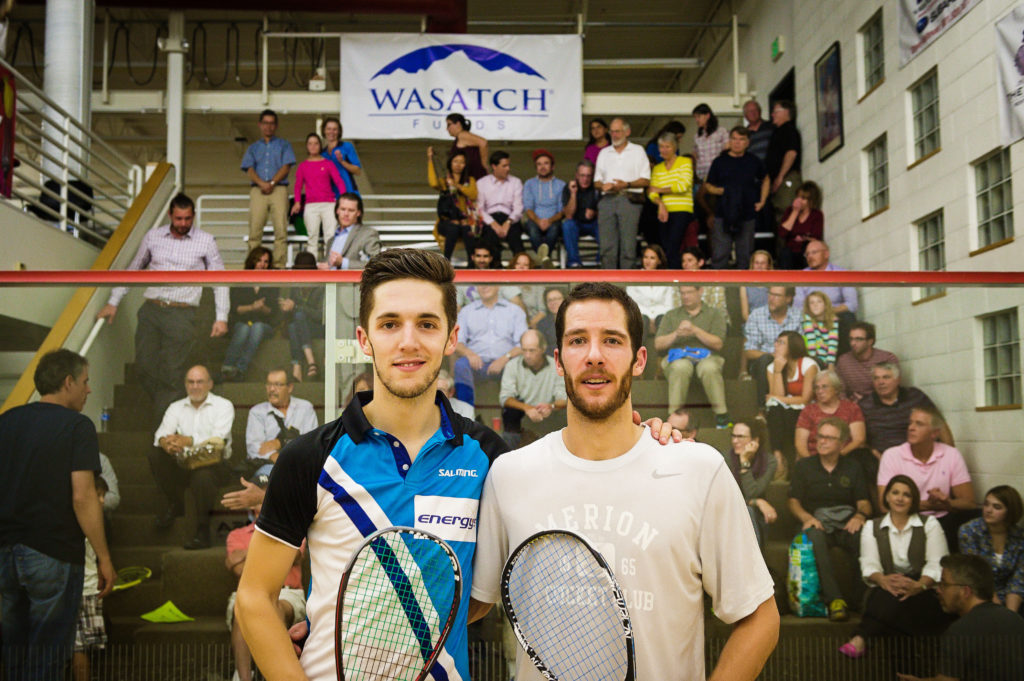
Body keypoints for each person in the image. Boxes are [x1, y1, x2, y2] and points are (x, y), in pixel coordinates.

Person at [234, 251, 682, 681]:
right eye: (390, 324)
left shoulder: (492, 460)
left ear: (451, 337)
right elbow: (255, 596)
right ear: (364, 339)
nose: (409, 341)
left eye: (427, 324)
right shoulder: (310, 457)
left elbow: (479, 595)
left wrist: (644, 435)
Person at [471, 282, 780, 681]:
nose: (594, 356)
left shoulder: (699, 468)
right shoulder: (510, 475)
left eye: (612, 341)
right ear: (559, 361)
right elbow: (472, 606)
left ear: (639, 360)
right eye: (578, 340)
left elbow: (759, 617)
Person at [0, 349, 114, 681]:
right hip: (53, 553)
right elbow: (83, 496)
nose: (88, 390)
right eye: (85, 381)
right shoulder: (77, 426)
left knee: (14, 655)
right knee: (47, 658)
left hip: (4, 553)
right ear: (68, 382)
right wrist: (104, 557)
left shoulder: (5, 422)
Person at [96, 193, 229, 419]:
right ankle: (170, 411)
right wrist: (113, 301)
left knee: (172, 373)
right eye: (179, 219)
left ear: (193, 216)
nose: (183, 224)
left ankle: (164, 430)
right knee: (144, 367)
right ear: (170, 215)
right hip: (152, 310)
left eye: (188, 219)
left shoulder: (206, 241)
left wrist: (221, 317)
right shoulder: (153, 237)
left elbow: (220, 281)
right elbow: (132, 269)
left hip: (182, 314)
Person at [841, 475, 951, 658]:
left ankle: (861, 637)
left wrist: (919, 585)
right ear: (887, 497)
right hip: (885, 587)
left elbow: (937, 563)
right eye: (895, 493)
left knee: (897, 606)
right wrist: (882, 579)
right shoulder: (871, 526)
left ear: (914, 499)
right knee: (889, 596)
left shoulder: (929, 524)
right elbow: (869, 563)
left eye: (906, 495)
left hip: (923, 589)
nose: (900, 498)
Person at [788, 417, 873, 621]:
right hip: (816, 522)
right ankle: (835, 600)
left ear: (842, 443)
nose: (822, 441)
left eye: (829, 438)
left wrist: (860, 516)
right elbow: (792, 501)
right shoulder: (804, 466)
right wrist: (807, 518)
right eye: (820, 437)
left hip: (846, 522)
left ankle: (860, 599)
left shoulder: (853, 467)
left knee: (864, 535)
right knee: (814, 536)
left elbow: (864, 502)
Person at [896, 554, 1024, 681]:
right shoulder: (1016, 620)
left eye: (944, 584)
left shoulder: (959, 631)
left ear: (966, 591)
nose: (938, 590)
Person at [226, 478, 306, 681]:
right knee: (243, 605)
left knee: (271, 607)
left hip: (289, 593)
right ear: (252, 506)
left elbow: (292, 557)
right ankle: (245, 678)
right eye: (259, 499)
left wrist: (245, 553)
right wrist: (269, 551)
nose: (264, 504)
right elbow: (240, 571)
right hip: (248, 591)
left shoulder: (295, 529)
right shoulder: (236, 534)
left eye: (266, 496)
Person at [150, 364, 234, 550]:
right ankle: (176, 503)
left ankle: (202, 531)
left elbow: (217, 441)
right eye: (191, 382)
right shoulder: (175, 407)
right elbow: (160, 436)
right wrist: (167, 443)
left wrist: (188, 440)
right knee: (156, 454)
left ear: (210, 384)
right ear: (185, 384)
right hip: (184, 463)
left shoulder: (223, 405)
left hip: (214, 464)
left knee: (202, 476)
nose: (195, 386)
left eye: (200, 382)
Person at [877, 405, 977, 549]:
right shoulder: (892, 455)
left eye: (919, 424)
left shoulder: (951, 454)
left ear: (934, 433)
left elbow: (969, 503)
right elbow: (884, 505)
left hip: (943, 519)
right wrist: (930, 504)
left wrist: (946, 502)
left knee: (976, 517)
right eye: (910, 422)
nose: (911, 428)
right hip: (907, 518)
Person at [655, 285, 731, 428]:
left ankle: (721, 415)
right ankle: (674, 417)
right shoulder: (672, 315)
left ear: (700, 291)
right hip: (678, 357)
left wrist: (695, 331)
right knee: (680, 367)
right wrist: (676, 333)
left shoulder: (714, 314)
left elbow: (718, 344)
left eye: (689, 292)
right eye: (682, 293)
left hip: (708, 357)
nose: (685, 296)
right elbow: (658, 344)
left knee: (709, 367)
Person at [702, 126, 769, 270]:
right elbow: (708, 185)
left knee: (745, 255)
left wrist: (762, 201)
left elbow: (766, 179)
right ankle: (718, 290)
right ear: (729, 141)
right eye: (734, 139)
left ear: (747, 142)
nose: (737, 142)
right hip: (723, 213)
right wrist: (722, 191)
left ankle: (744, 290)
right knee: (720, 253)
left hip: (747, 213)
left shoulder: (754, 161)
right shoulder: (719, 161)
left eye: (741, 139)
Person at [453, 283, 528, 405]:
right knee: (461, 365)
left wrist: (505, 358)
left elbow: (523, 344)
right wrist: (470, 354)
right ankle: (465, 414)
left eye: (489, 283)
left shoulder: (515, 311)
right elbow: (456, 342)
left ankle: (514, 417)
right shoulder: (467, 312)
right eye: (481, 284)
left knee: (518, 366)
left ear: (499, 286)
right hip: (477, 364)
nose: (484, 287)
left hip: (507, 363)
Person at [859, 363, 954, 456]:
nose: (881, 382)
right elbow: (860, 439)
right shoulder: (865, 404)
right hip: (881, 458)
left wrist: (950, 454)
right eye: (876, 378)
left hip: (919, 455)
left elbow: (939, 424)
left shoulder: (915, 396)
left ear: (898, 380)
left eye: (886, 377)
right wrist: (875, 455)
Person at [594, 117, 651, 269]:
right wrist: (603, 186)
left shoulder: (638, 151)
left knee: (628, 245)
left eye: (618, 131)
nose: (614, 135)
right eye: (612, 131)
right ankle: (608, 285)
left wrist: (626, 184)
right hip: (607, 200)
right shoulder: (604, 153)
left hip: (629, 199)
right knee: (607, 246)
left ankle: (626, 285)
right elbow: (596, 181)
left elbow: (646, 180)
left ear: (627, 132)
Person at [241, 109, 296, 267]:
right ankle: (253, 265)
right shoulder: (253, 148)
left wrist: (271, 183)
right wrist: (261, 183)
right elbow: (249, 168)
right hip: (258, 190)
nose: (268, 126)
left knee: (281, 230)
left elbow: (286, 167)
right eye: (265, 123)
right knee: (255, 231)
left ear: (276, 125)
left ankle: (278, 266)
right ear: (260, 125)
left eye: (272, 123)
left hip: (278, 189)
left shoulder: (284, 145)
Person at [958, 485, 1024, 613]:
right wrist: (998, 612)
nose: (988, 510)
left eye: (996, 507)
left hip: (1012, 597)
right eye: (986, 504)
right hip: (978, 593)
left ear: (1010, 512)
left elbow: (1018, 580)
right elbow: (977, 575)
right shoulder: (969, 531)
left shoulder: (1020, 537)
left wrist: (1010, 615)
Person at [498, 329, 567, 447]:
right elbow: (505, 398)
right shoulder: (512, 366)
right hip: (521, 416)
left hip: (550, 416)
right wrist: (528, 409)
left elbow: (564, 399)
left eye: (532, 350)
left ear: (543, 348)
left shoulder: (557, 367)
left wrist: (551, 407)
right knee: (510, 413)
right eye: (524, 350)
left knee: (564, 413)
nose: (527, 355)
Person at [246, 369, 318, 479]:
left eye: (277, 385)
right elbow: (254, 448)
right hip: (269, 466)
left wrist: (280, 442)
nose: (271, 389)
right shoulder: (257, 412)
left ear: (290, 387)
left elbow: (311, 443)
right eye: (269, 384)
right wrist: (275, 456)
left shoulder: (305, 408)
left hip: (301, 466)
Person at [765, 330, 819, 478]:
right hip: (785, 411)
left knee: (781, 410)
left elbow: (805, 399)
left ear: (793, 346)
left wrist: (776, 397)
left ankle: (797, 456)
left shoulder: (808, 364)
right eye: (776, 342)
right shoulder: (772, 367)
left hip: (807, 410)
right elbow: (776, 398)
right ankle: (778, 457)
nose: (776, 345)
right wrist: (777, 371)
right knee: (774, 409)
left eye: (781, 342)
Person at [71, 477, 109, 681]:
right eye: (98, 495)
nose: (102, 501)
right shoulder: (89, 525)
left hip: (85, 585)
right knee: (81, 646)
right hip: (86, 589)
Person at [221, 246, 277, 382]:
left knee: (256, 327)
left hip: (265, 326)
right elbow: (235, 309)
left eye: (266, 261)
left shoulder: (273, 282)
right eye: (259, 261)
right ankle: (228, 367)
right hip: (242, 322)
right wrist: (252, 307)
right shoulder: (241, 280)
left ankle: (240, 369)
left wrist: (262, 308)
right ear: (252, 261)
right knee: (245, 329)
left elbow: (273, 312)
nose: (262, 265)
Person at [793, 240, 859, 353]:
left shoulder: (841, 273)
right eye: (807, 254)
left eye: (814, 252)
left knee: (848, 318)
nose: (810, 256)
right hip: (812, 317)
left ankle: (844, 361)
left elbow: (852, 304)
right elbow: (798, 307)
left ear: (826, 254)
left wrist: (829, 312)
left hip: (836, 315)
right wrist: (817, 315)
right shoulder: (802, 276)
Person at [744, 285, 802, 408]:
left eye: (777, 295)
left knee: (812, 361)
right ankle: (763, 409)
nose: (771, 298)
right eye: (770, 294)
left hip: (791, 362)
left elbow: (801, 348)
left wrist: (785, 358)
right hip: (763, 363)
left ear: (788, 298)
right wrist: (774, 356)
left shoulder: (798, 316)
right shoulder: (756, 315)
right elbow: (749, 351)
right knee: (767, 360)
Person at [724, 419, 777, 551]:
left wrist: (744, 462)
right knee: (748, 511)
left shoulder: (769, 461)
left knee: (749, 512)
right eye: (733, 436)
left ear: (755, 440)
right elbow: (726, 496)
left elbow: (753, 492)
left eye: (740, 437)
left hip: (756, 515)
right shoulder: (725, 458)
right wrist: (757, 501)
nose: (735, 441)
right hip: (727, 510)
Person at [291, 133, 345, 258]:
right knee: (312, 237)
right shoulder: (303, 166)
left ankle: (330, 266)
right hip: (311, 206)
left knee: (330, 236)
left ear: (320, 145)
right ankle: (312, 268)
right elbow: (298, 185)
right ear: (306, 146)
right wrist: (297, 202)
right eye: (310, 143)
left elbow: (339, 181)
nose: (313, 146)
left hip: (329, 204)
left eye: (316, 143)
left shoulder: (328, 164)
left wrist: (342, 199)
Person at [647, 131, 694, 269]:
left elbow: (682, 186)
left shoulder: (685, 162)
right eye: (661, 147)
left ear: (675, 147)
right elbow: (651, 192)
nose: (664, 150)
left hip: (682, 211)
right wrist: (660, 203)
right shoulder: (658, 168)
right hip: (663, 211)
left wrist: (659, 190)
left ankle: (675, 279)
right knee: (665, 247)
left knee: (673, 247)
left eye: (667, 146)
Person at [278, 251, 324, 382]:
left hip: (319, 328)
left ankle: (303, 364)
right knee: (293, 325)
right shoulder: (295, 288)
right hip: (300, 328)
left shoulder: (321, 288)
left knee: (298, 317)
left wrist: (296, 307)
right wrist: (285, 308)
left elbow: (321, 316)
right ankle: (305, 365)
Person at [428, 146, 479, 263]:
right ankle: (446, 261)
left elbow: (473, 194)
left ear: (466, 165)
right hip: (446, 222)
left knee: (468, 229)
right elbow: (432, 182)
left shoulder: (469, 180)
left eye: (462, 162)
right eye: (455, 161)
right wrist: (430, 159)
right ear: (450, 163)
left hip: (466, 221)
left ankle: (471, 264)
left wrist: (457, 185)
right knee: (453, 228)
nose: (458, 165)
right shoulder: (444, 181)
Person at [475, 150, 526, 262]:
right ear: (494, 166)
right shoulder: (482, 183)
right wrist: (493, 224)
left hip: (510, 219)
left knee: (516, 240)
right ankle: (495, 270)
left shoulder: (516, 182)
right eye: (504, 166)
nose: (508, 168)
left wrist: (508, 223)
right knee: (489, 240)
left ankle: (522, 271)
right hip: (489, 219)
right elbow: (479, 208)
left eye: (508, 165)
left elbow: (518, 207)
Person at [836, 322, 900, 401]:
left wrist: (869, 401)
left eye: (858, 339)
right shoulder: (843, 361)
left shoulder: (887, 358)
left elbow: (893, 388)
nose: (853, 343)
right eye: (851, 339)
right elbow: (840, 391)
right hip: (855, 407)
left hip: (881, 404)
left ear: (870, 341)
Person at [626, 245, 678, 340]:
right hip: (641, 316)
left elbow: (668, 305)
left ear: (659, 261)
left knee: (662, 319)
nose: (648, 261)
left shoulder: (666, 278)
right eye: (646, 257)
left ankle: (663, 354)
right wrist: (649, 319)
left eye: (652, 258)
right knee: (642, 320)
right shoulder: (634, 277)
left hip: (660, 316)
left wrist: (654, 319)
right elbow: (632, 305)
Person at [522, 149, 566, 260]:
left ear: (553, 166)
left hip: (554, 221)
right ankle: (545, 260)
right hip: (534, 220)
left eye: (546, 163)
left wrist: (549, 221)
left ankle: (542, 259)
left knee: (555, 229)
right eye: (539, 164)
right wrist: (539, 221)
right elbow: (528, 208)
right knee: (533, 229)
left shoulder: (561, 185)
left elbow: (562, 211)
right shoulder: (529, 183)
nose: (542, 167)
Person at [765, 100, 802, 227]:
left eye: (775, 112)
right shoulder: (777, 132)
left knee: (786, 211)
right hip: (778, 180)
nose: (772, 115)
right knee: (779, 214)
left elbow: (791, 153)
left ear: (786, 112)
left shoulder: (789, 130)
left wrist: (780, 176)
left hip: (787, 179)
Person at [561, 159, 601, 268]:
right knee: (567, 225)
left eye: (588, 176)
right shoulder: (569, 187)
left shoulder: (597, 188)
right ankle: (574, 262)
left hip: (594, 223)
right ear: (576, 175)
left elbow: (605, 212)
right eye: (582, 175)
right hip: (576, 223)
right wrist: (573, 194)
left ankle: (601, 261)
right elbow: (568, 215)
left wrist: (595, 213)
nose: (585, 179)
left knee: (605, 224)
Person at [327, 193, 381, 270]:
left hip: (352, 281)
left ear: (358, 213)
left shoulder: (368, 234)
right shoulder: (331, 240)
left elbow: (376, 264)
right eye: (343, 209)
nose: (346, 214)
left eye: (351, 210)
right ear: (337, 210)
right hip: (329, 281)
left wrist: (343, 262)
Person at [777, 181, 824, 270]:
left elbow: (817, 238)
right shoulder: (790, 211)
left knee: (807, 252)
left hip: (805, 250)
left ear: (811, 200)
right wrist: (795, 212)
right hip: (790, 250)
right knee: (785, 253)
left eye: (803, 198)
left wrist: (804, 238)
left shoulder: (816, 214)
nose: (799, 201)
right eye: (798, 197)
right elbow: (782, 233)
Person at [320, 117, 362, 197]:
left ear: (339, 132)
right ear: (324, 131)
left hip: (349, 192)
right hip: (330, 196)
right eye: (329, 129)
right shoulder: (322, 153)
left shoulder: (346, 146)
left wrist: (342, 161)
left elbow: (357, 171)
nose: (331, 132)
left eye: (334, 129)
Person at [691, 102, 730, 184]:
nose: (696, 120)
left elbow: (727, 151)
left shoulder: (721, 132)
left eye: (699, 116)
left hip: (718, 175)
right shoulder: (697, 136)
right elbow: (695, 155)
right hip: (702, 176)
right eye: (695, 117)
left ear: (708, 116)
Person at [801, 290, 839, 369]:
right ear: (808, 307)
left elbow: (832, 343)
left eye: (819, 302)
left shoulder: (833, 320)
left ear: (825, 305)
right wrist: (812, 362)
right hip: (812, 358)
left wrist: (830, 364)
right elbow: (811, 342)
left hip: (826, 359)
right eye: (812, 303)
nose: (815, 305)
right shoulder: (807, 319)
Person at [446, 112, 488, 180]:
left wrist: (484, 164)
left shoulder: (462, 135)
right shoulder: (459, 138)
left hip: (474, 177)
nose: (447, 129)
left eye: (449, 125)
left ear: (458, 124)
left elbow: (483, 142)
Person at [740, 249, 774, 322]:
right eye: (756, 263)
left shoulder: (775, 284)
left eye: (763, 263)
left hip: (772, 323)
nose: (759, 266)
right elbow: (745, 315)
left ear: (768, 265)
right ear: (752, 265)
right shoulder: (745, 285)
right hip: (752, 323)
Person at [533, 286, 565, 355]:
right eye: (549, 300)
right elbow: (542, 350)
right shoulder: (542, 324)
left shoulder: (576, 320)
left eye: (557, 299)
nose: (553, 302)